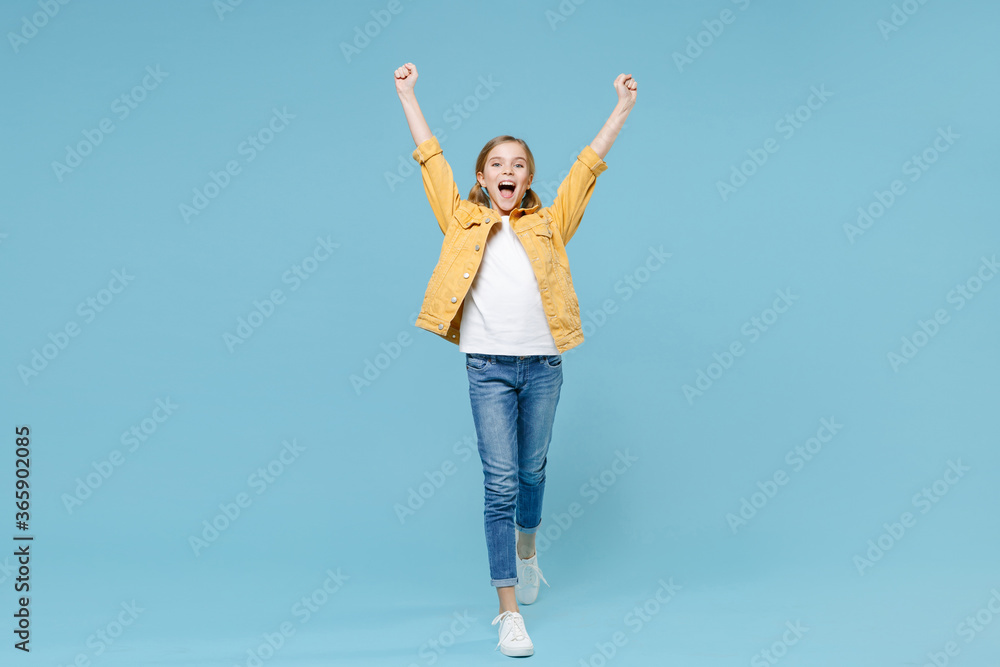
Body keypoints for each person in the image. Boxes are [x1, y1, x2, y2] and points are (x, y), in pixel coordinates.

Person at [394, 62, 637, 658]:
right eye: (497, 164)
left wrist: (622, 108)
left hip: (544, 366)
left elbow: (588, 166)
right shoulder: (461, 219)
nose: (508, 171)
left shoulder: (550, 224)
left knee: (532, 473)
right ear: (481, 177)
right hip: (487, 369)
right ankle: (507, 613)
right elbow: (430, 157)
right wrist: (408, 94)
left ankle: (529, 550)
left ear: (529, 179)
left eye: (519, 164)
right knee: (499, 483)